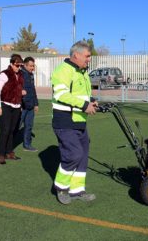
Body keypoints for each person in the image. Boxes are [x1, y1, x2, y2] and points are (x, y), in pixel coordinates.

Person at [51, 41, 98, 204]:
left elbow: (82, 94)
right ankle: (60, 188)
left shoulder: (82, 72)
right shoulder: (63, 71)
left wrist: (91, 101)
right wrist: (85, 105)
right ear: (76, 55)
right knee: (73, 154)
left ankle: (77, 191)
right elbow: (61, 95)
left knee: (83, 156)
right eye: (87, 56)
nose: (89, 59)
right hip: (64, 122)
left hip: (80, 122)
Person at [0, 54, 26, 165]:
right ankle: (1, 155)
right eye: (17, 65)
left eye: (20, 65)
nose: (18, 67)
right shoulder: (4, 74)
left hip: (16, 106)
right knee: (5, 130)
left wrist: (21, 95)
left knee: (12, 130)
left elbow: (17, 89)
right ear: (11, 64)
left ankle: (9, 152)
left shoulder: (20, 75)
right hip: (4, 105)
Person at [20, 56, 39, 152]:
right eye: (31, 66)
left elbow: (33, 90)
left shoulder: (31, 75)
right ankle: (7, 147)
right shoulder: (19, 74)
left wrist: (36, 104)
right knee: (15, 127)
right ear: (25, 65)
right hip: (21, 107)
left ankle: (27, 145)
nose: (33, 68)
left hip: (30, 106)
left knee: (29, 126)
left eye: (33, 66)